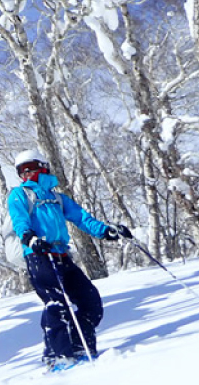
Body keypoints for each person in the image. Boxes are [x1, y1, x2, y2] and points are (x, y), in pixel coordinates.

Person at [8, 149, 132, 371]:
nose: (27, 174)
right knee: (58, 305)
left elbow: (82, 218)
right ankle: (58, 357)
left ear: (44, 167)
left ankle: (80, 348)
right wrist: (31, 239)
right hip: (38, 256)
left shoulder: (57, 198)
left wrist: (106, 231)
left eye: (31, 168)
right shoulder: (20, 195)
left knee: (89, 301)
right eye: (22, 171)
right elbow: (19, 220)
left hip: (62, 255)